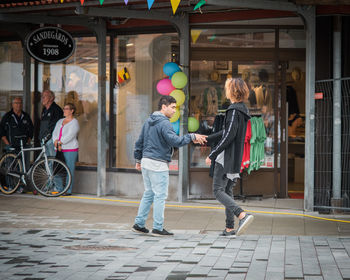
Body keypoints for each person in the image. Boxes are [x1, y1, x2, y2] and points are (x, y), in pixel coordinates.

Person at [133, 95, 207, 236]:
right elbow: (175, 141)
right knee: (160, 196)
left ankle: (139, 224)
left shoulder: (149, 121)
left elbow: (139, 142)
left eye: (175, 108)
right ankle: (158, 228)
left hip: (146, 162)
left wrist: (138, 159)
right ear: (164, 107)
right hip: (158, 164)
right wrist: (192, 136)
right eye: (172, 107)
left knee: (149, 193)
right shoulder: (164, 123)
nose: (174, 111)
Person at [205, 78, 254, 237]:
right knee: (227, 190)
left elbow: (228, 136)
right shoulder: (242, 110)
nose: (225, 90)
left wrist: (212, 155)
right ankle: (229, 228)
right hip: (235, 157)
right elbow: (226, 132)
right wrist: (207, 138)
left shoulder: (233, 111)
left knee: (217, 190)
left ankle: (242, 215)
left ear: (232, 91)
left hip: (226, 157)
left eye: (227, 88)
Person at [52, 103, 79, 196]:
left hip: (70, 149)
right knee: (57, 168)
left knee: (69, 169)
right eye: (64, 108)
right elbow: (54, 132)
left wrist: (60, 142)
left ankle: (68, 190)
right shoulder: (60, 121)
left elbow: (71, 135)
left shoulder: (74, 122)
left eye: (66, 109)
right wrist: (55, 140)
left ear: (72, 111)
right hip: (58, 149)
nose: (64, 110)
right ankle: (60, 189)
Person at [39, 90, 63, 156]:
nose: (42, 98)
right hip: (43, 139)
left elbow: (56, 126)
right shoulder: (44, 110)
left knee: (52, 161)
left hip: (51, 140)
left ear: (51, 98)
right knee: (46, 161)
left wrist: (48, 136)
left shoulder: (56, 109)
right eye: (42, 96)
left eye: (45, 96)